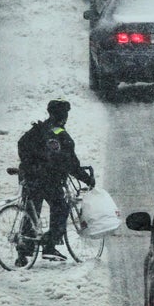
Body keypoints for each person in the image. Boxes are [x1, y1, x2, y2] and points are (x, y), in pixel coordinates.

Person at [16, 98, 94, 264]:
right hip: (49, 180)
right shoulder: (61, 135)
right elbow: (72, 164)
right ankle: (50, 246)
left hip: (30, 177)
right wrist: (87, 179)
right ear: (64, 117)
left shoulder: (38, 129)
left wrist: (30, 166)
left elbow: (21, 144)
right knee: (61, 207)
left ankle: (23, 252)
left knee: (32, 212)